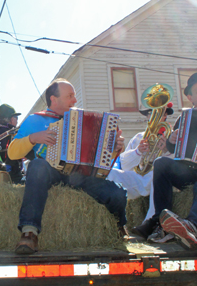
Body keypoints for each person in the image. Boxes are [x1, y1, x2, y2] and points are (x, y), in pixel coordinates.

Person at [8, 78, 127, 254]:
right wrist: (33, 138)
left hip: (82, 174)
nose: (75, 100)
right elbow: (12, 153)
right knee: (37, 165)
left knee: (117, 193)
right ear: (54, 99)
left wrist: (116, 146)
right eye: (70, 96)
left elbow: (102, 155)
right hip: (52, 171)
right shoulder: (35, 120)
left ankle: (119, 228)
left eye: (74, 96)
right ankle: (29, 233)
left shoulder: (83, 118)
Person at [135, 73, 197, 250]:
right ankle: (160, 221)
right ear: (190, 97)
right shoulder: (185, 118)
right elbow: (175, 149)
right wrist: (172, 140)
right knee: (161, 163)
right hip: (192, 171)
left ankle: (193, 228)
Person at [107, 103, 174, 230]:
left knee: (159, 171)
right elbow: (125, 166)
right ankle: (114, 223)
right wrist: (138, 152)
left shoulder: (172, 138)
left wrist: (168, 149)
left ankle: (150, 223)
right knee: (110, 174)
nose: (154, 115)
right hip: (139, 178)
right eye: (151, 113)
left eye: (160, 112)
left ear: (165, 115)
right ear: (147, 116)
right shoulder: (139, 137)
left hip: (160, 181)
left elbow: (177, 166)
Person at [0, 104, 24, 184]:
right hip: (13, 177)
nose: (17, 120)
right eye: (16, 118)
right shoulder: (16, 133)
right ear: (12, 119)